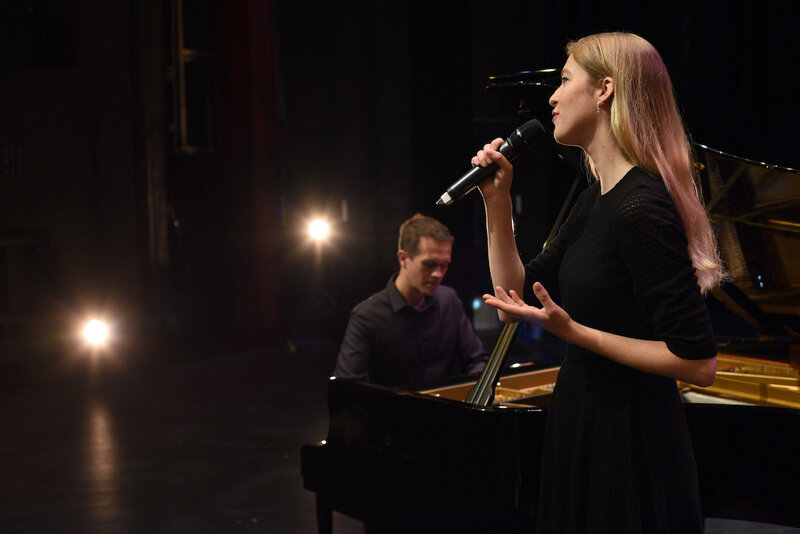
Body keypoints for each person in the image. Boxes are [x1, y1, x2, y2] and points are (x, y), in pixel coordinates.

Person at [473, 32, 724, 533]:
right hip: (581, 424)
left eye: (565, 81)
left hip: (628, 443)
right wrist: (496, 203)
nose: (551, 97)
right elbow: (511, 300)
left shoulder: (640, 207)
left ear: (605, 89)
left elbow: (699, 364)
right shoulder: (595, 199)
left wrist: (575, 333)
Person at [333, 213, 488, 388]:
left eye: (444, 265)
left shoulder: (449, 300)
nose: (438, 274)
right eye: (429, 264)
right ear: (403, 258)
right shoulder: (366, 316)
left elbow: (477, 359)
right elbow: (348, 388)